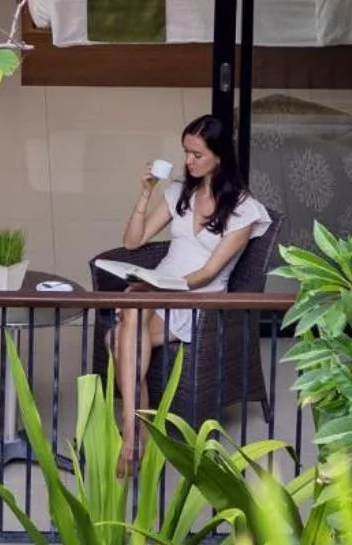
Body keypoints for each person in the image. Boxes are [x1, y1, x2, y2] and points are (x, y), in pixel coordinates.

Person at [104, 114, 270, 474]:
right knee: (129, 321)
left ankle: (133, 439)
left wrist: (156, 288)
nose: (189, 161)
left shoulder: (243, 209)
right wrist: (146, 193)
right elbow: (133, 241)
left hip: (198, 301)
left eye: (197, 154)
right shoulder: (180, 192)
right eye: (186, 153)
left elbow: (209, 272)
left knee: (119, 335)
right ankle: (136, 437)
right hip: (158, 294)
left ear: (220, 156)